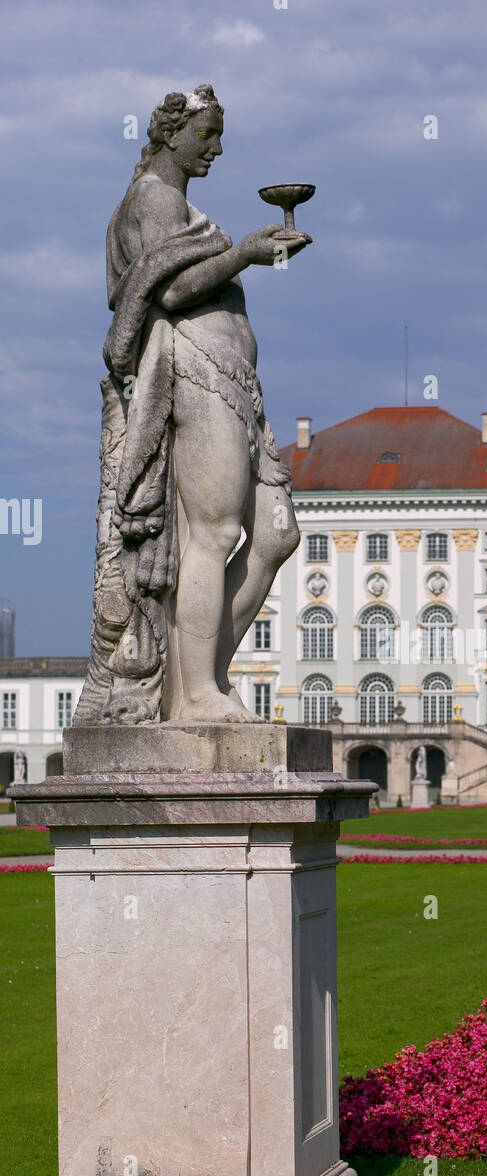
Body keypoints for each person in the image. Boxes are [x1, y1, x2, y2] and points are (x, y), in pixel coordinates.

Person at [76, 85, 306, 725]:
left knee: (278, 533)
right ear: (171, 132)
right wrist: (245, 255)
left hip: (234, 384)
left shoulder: (173, 201)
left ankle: (196, 678)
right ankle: (197, 695)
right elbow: (170, 291)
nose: (217, 146)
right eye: (207, 134)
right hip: (196, 375)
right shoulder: (153, 196)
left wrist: (246, 255)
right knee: (215, 533)